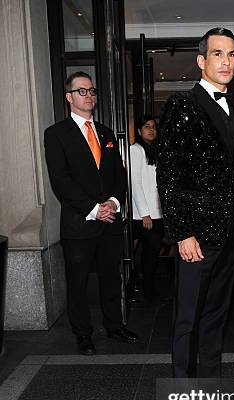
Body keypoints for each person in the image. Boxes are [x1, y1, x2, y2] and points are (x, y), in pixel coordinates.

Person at [156, 27, 234, 378]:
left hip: (229, 235)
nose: (226, 61)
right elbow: (169, 176)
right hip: (196, 238)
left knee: (217, 316)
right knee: (187, 319)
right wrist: (182, 233)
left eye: (231, 54)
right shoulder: (181, 104)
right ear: (202, 60)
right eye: (218, 53)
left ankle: (211, 388)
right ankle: (183, 399)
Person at [44, 71, 140, 355]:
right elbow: (60, 180)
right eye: (82, 91)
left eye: (92, 91)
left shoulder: (107, 133)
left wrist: (112, 202)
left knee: (112, 278)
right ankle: (83, 335)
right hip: (79, 225)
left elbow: (118, 175)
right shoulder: (56, 134)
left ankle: (114, 326)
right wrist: (93, 209)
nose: (89, 96)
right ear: (69, 97)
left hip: (109, 222)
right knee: (78, 283)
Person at [130, 116, 163, 301]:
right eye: (147, 126)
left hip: (155, 212)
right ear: (139, 130)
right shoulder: (135, 150)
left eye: (154, 127)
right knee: (147, 254)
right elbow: (135, 183)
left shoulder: (154, 150)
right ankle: (145, 289)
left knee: (151, 254)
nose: (151, 130)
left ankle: (146, 287)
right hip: (144, 215)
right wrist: (145, 214)